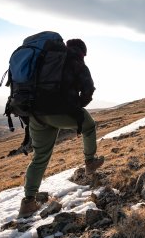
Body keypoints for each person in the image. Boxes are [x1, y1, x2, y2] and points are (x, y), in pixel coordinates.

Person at [18, 38, 104, 218]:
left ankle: (28, 202)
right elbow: (88, 89)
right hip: (60, 111)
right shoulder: (77, 62)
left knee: (40, 157)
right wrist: (78, 106)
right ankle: (90, 162)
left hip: (36, 113)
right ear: (82, 51)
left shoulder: (47, 61)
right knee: (89, 126)